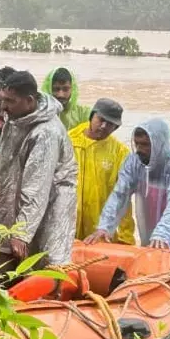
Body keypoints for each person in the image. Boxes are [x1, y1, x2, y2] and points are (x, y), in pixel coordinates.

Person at [86, 120, 170, 294]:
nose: (140, 149)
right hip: (151, 219)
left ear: (159, 143)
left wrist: (163, 231)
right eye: (137, 144)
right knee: (154, 259)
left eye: (145, 145)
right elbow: (120, 194)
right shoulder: (134, 162)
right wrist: (105, 226)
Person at [0, 71, 78, 264]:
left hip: (53, 199)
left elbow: (37, 187)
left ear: (30, 100)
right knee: (16, 253)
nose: (3, 107)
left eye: (10, 101)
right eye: (2, 100)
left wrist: (21, 232)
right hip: (24, 196)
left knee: (49, 259)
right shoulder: (17, 118)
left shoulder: (46, 132)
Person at [69, 99, 135, 245]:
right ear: (92, 116)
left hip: (99, 230)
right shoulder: (69, 141)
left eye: (110, 123)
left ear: (116, 127)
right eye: (101, 120)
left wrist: (126, 237)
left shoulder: (120, 153)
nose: (104, 126)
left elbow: (123, 197)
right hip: (67, 224)